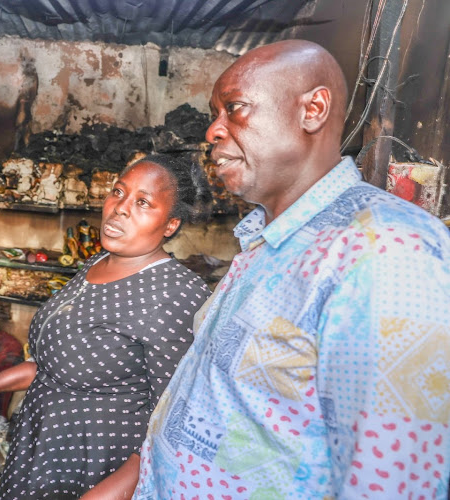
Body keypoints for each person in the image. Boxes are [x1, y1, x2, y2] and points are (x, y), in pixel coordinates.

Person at [124, 39, 450, 499]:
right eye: (214, 115)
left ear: (313, 109)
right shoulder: (269, 241)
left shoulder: (384, 249)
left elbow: (393, 479)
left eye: (234, 108)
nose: (213, 132)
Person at [0, 154, 212, 499]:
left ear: (171, 224)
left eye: (143, 202)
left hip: (99, 470)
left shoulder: (177, 294)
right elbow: (66, 367)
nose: (120, 208)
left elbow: (176, 423)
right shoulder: (97, 262)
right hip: (41, 454)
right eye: (118, 192)